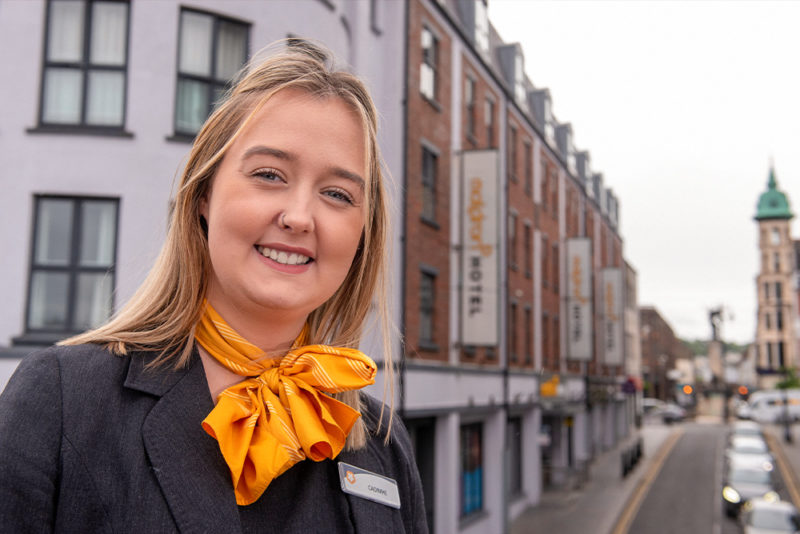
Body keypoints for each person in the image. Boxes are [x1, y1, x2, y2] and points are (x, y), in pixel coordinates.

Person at [0, 41, 427, 534]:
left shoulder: (384, 443)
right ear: (204, 196)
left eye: (337, 194)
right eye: (269, 175)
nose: (299, 217)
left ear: (361, 235)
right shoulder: (61, 400)